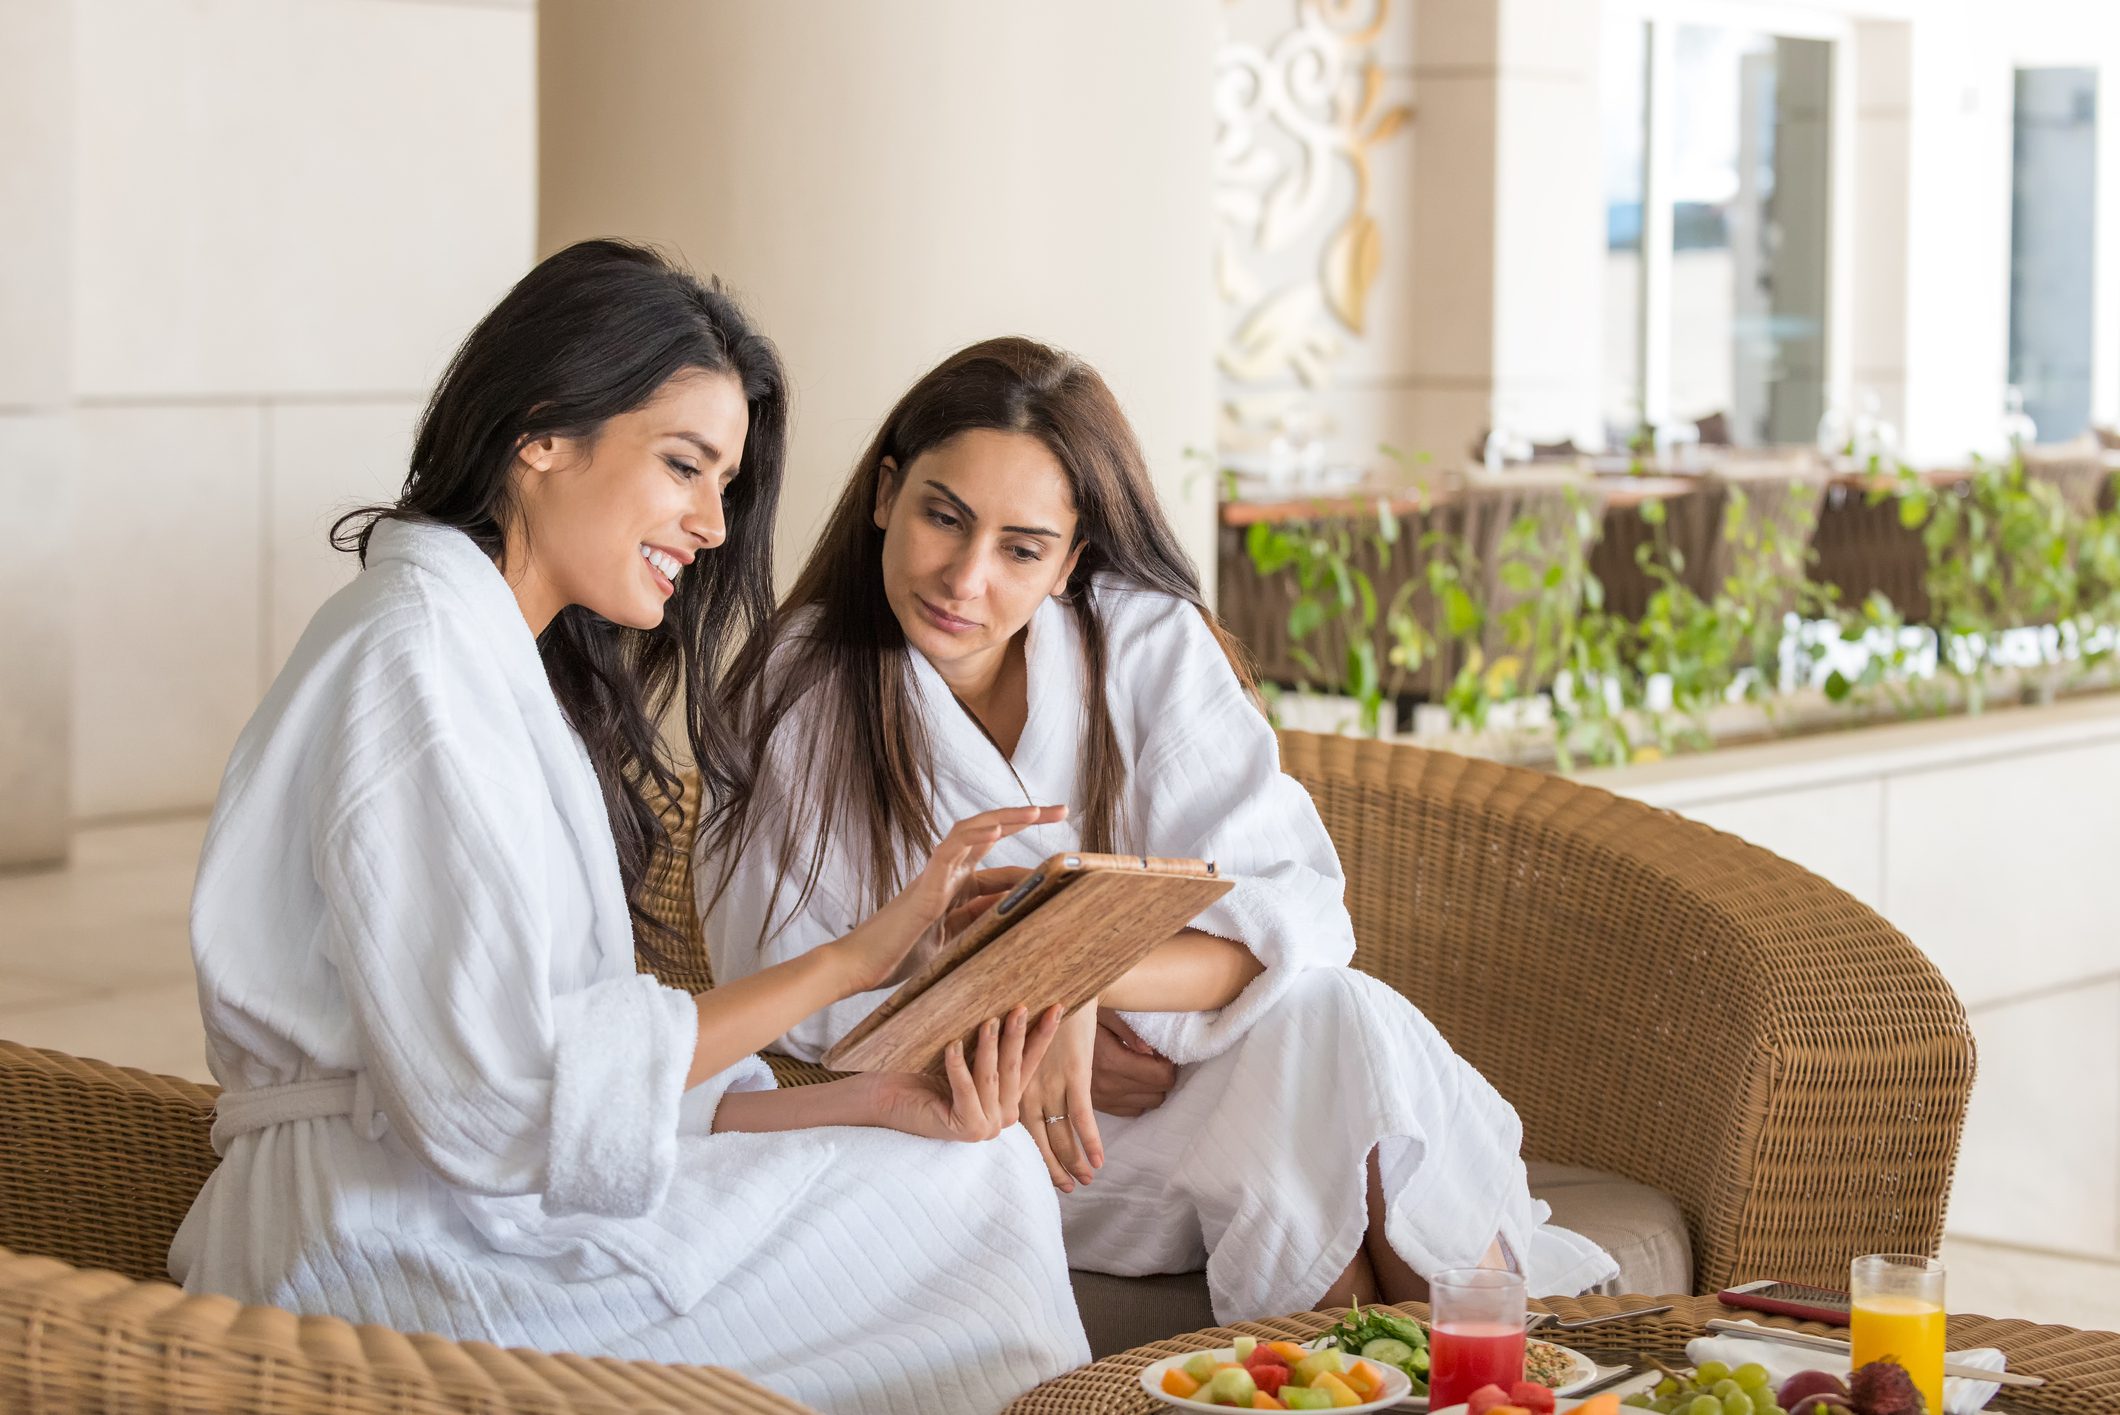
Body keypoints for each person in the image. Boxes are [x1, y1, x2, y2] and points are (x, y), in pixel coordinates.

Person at [171, 244, 1090, 1415]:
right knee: (960, 1212)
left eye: (723, 483)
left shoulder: (487, 661)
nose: (711, 523)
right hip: (388, 1254)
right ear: (542, 430)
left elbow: (580, 1094)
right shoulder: (412, 662)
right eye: (683, 466)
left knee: (968, 1161)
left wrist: (865, 1100)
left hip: (466, 1201)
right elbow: (502, 1101)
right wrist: (848, 963)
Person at [698, 337, 1618, 1325]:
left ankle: (1431, 1379)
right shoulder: (795, 693)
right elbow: (796, 1001)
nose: (965, 578)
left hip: (1192, 1077)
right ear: (886, 492)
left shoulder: (1139, 638)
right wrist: (1031, 1028)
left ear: (1071, 560)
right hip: (997, 1124)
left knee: (1335, 1021)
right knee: (1321, 1101)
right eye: (942, 516)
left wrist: (1076, 972)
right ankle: (1496, 1370)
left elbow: (1297, 920)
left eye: (1020, 547)